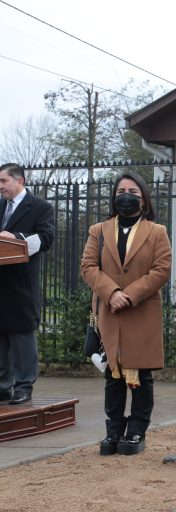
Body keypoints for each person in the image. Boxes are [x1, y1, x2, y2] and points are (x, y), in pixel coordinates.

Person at [81, 171, 171, 455]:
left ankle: (136, 432)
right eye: (121, 191)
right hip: (109, 311)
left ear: (143, 198)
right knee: (113, 374)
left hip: (141, 311)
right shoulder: (99, 230)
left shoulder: (157, 232)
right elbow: (88, 267)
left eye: (132, 191)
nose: (126, 196)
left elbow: (161, 270)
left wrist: (128, 295)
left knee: (141, 376)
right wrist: (112, 293)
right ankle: (114, 431)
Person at [0, 163, 54, 405]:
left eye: (3, 181)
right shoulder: (0, 206)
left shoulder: (40, 207)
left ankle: (23, 387)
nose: (0, 187)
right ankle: (2, 386)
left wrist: (17, 239)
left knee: (22, 336)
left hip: (21, 284)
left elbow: (47, 238)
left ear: (19, 181)